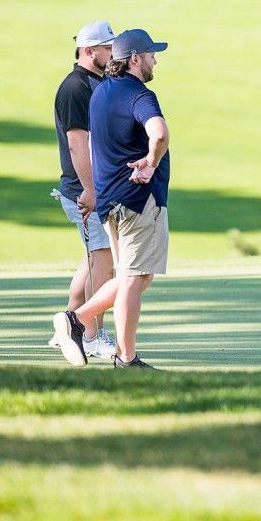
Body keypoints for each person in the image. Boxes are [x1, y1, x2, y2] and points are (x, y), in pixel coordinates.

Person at [52, 28, 170, 369]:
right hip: (138, 199)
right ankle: (121, 354)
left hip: (111, 201)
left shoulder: (101, 92)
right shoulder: (141, 95)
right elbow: (159, 133)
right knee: (134, 279)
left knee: (135, 276)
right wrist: (150, 162)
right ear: (134, 58)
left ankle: (78, 322)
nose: (154, 60)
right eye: (150, 55)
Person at [48, 20, 119, 360]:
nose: (113, 53)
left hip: (90, 188)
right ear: (90, 51)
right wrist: (91, 190)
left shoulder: (95, 82)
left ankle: (65, 325)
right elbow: (79, 144)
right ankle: (90, 335)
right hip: (84, 190)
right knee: (104, 263)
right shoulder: (76, 87)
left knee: (95, 261)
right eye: (108, 48)